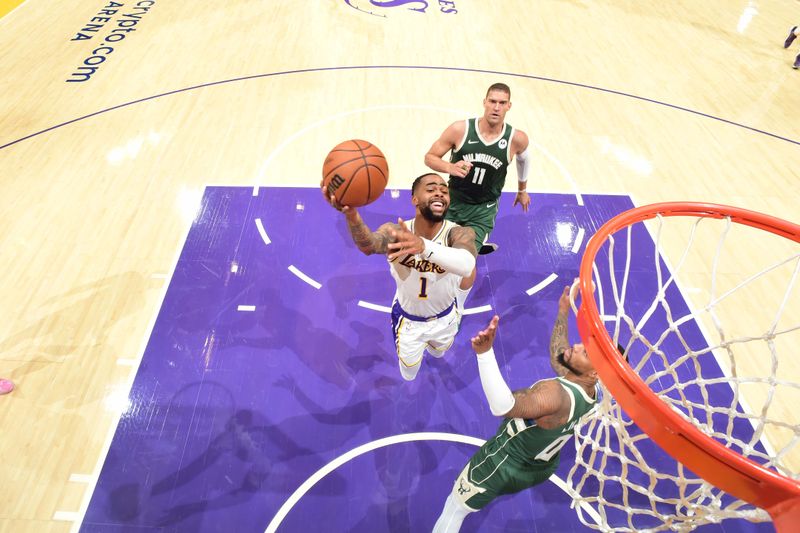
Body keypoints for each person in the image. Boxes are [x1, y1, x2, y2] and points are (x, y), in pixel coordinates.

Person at [433, 285, 599, 532]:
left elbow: (503, 406)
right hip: (538, 467)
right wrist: (563, 311)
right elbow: (558, 356)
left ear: (594, 372)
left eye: (583, 352)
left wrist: (485, 354)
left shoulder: (556, 395)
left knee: (455, 507)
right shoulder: (592, 391)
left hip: (503, 461)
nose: (575, 346)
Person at [324, 173, 477, 381]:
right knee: (409, 375)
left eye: (444, 190)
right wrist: (352, 216)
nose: (439, 193)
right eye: (431, 189)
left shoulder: (459, 233)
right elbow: (369, 245)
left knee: (438, 352)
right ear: (414, 199)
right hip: (409, 321)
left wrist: (423, 246)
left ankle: (448, 326)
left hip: (446, 317)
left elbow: (467, 265)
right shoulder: (395, 232)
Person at [424, 82, 531, 257]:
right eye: (492, 101)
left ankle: (473, 244)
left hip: (483, 209)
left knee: (463, 259)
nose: (496, 107)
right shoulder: (460, 130)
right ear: (484, 102)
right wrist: (450, 167)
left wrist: (522, 190)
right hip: (453, 201)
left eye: (502, 103)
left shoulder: (516, 139)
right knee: (437, 255)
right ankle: (469, 242)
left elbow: (524, 159)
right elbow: (429, 157)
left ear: (509, 106)